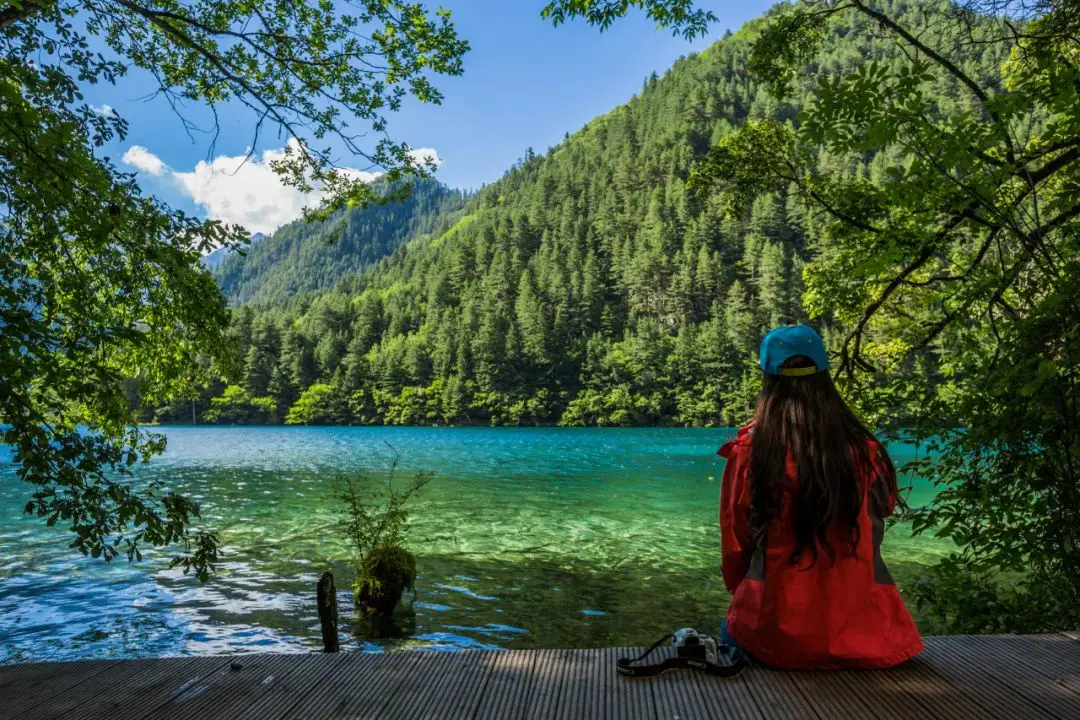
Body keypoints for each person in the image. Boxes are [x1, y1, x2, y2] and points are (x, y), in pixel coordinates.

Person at [717, 324, 923, 670]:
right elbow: (882, 511)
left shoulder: (751, 453)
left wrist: (747, 594)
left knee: (731, 632)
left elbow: (736, 542)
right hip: (871, 635)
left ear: (768, 379)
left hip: (774, 636)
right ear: (825, 375)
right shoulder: (865, 451)